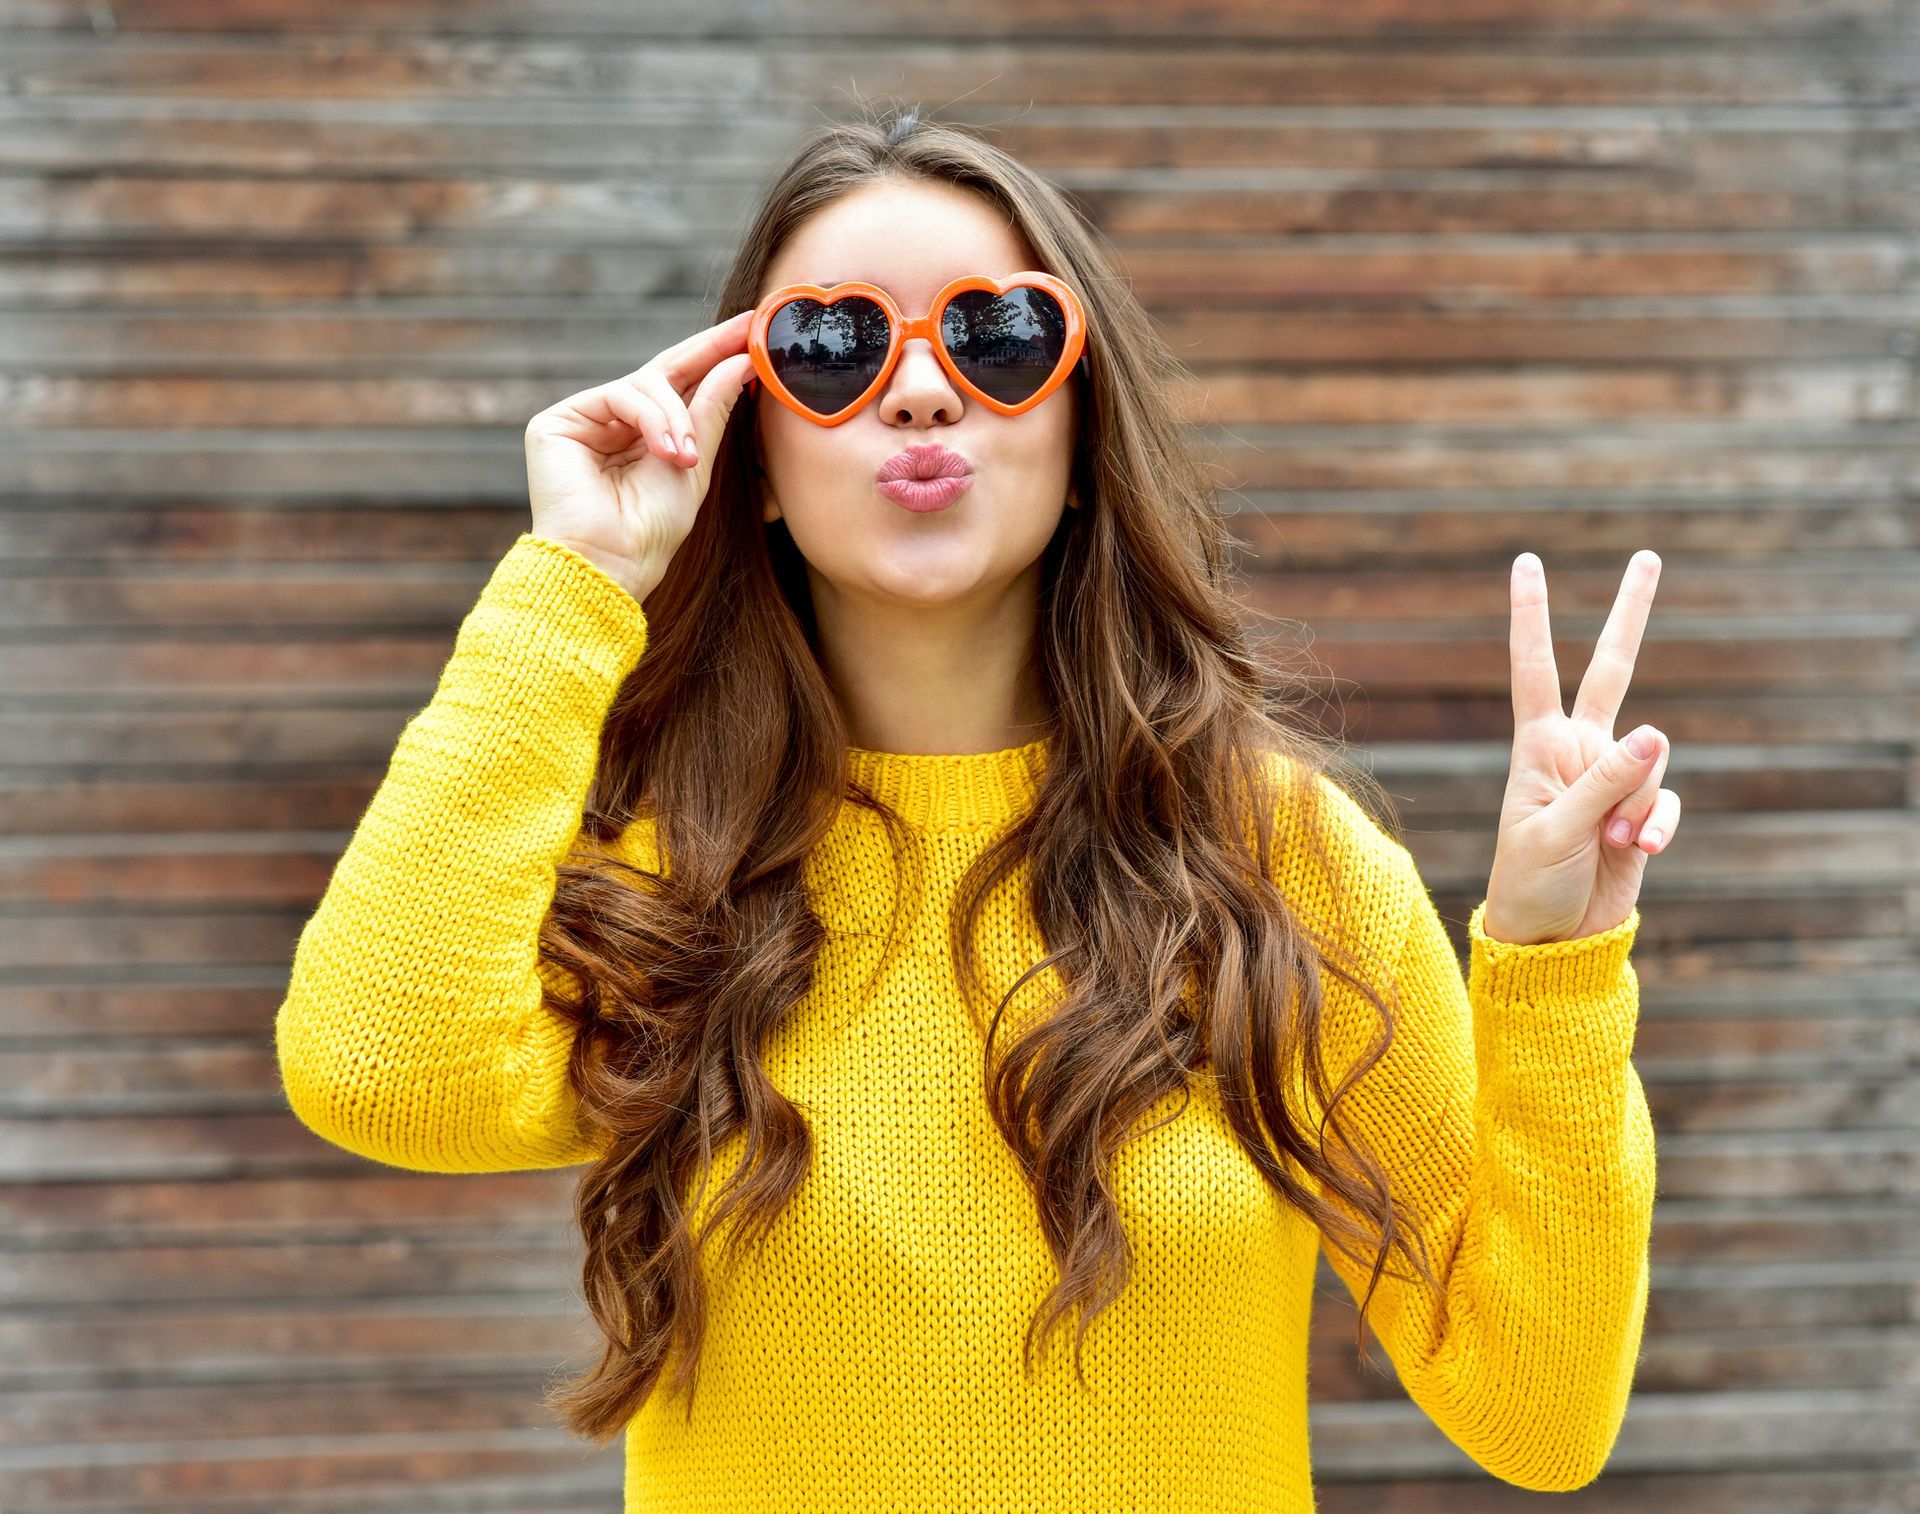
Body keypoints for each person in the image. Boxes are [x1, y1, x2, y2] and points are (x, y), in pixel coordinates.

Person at [274, 101, 1678, 1512]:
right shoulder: (674, 872)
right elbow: (377, 1065)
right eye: (834, 348)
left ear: (1080, 425)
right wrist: (573, 579)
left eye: (997, 337)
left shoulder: (1284, 862)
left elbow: (1537, 1410)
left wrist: (1555, 971)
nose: (924, 390)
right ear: (750, 457)